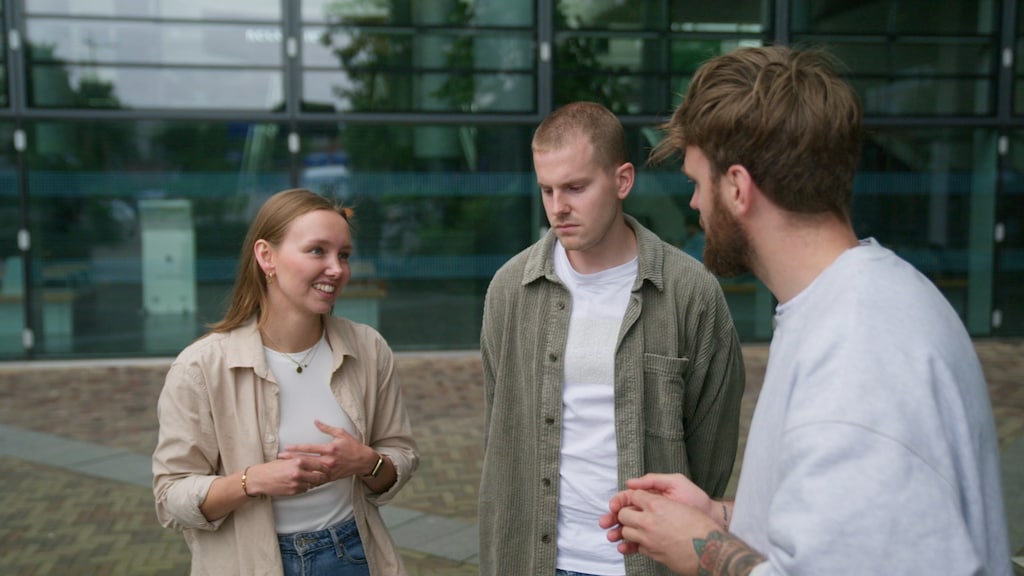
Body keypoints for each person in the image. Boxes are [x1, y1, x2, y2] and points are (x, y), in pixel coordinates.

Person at [600, 45, 1013, 575]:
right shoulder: (859, 303)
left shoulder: (859, 355)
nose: (695, 204)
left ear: (738, 187)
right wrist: (720, 515)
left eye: (697, 183)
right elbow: (847, 542)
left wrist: (701, 548)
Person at [479, 101, 747, 576]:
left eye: (576, 187)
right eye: (547, 189)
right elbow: (501, 432)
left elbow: (711, 449)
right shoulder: (509, 289)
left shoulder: (690, 292)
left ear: (622, 181)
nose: (558, 207)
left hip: (647, 563)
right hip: (534, 560)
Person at [152, 188, 419, 576]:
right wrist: (251, 480)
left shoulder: (368, 348)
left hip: (352, 555)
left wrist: (367, 462)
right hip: (249, 563)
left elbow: (400, 454)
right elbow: (170, 498)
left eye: (344, 255)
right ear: (266, 256)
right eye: (317, 251)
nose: (336, 269)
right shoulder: (201, 367)